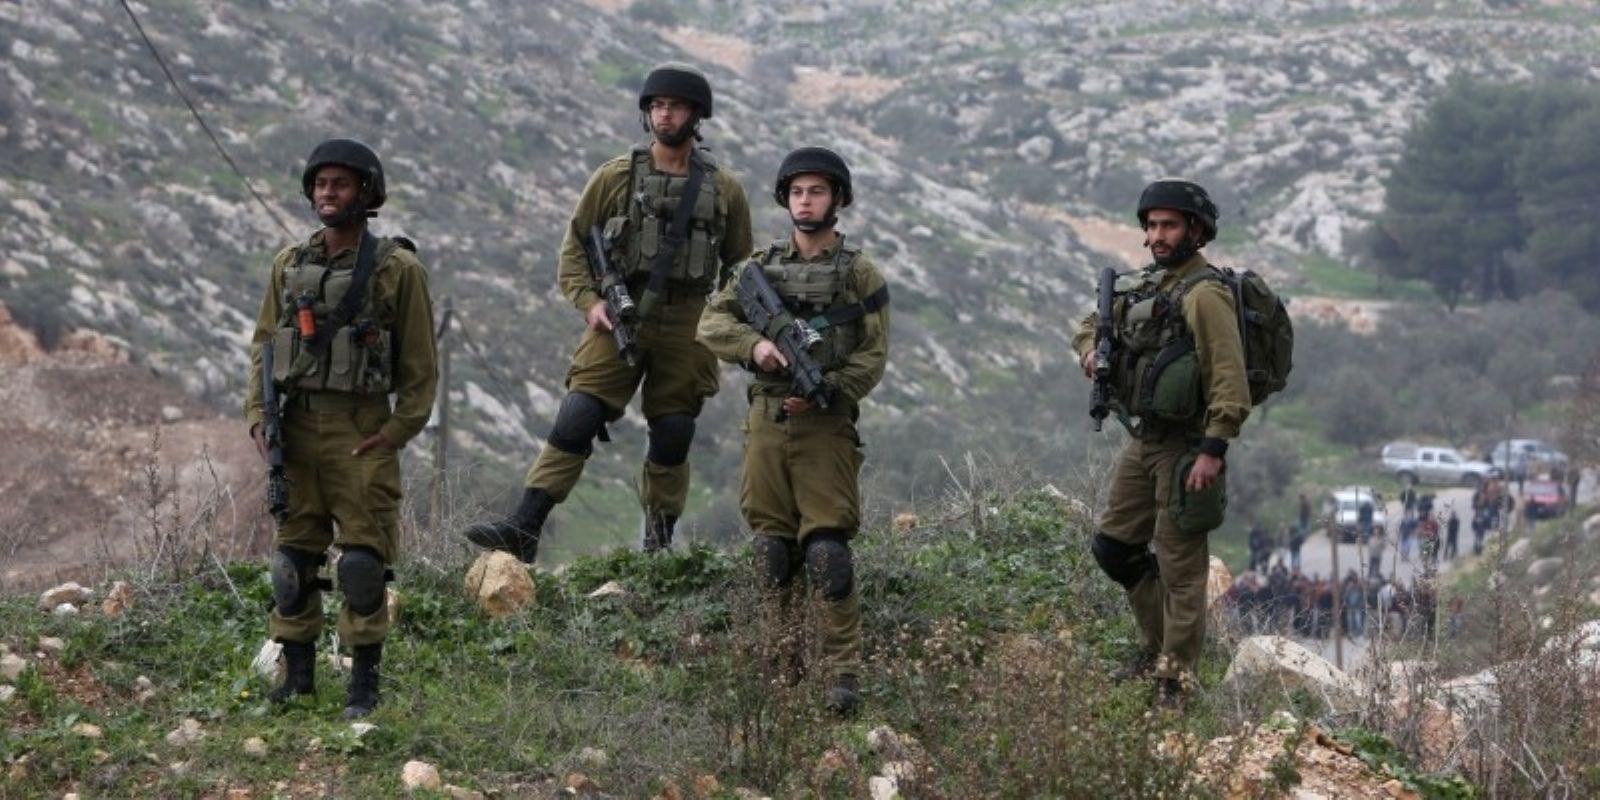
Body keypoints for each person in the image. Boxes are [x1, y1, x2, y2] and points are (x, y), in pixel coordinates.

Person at [462, 63, 753, 560]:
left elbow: (740, 265)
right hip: (621, 310)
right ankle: (524, 526)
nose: (665, 115)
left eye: (675, 106)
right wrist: (590, 302)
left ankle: (657, 549)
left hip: (688, 318)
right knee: (579, 413)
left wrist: (721, 321)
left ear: (696, 115)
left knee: (673, 430)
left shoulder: (724, 188)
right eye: (657, 106)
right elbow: (575, 247)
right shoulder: (616, 176)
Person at [244, 139, 439, 718]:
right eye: (321, 184)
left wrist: (396, 431)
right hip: (296, 428)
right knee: (292, 563)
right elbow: (262, 346)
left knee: (361, 565)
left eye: (341, 184)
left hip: (361, 430)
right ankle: (298, 678)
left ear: (366, 193)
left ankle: (363, 686)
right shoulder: (288, 264)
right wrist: (259, 418)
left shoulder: (398, 270)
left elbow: (421, 369)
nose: (328, 194)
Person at [697, 146, 890, 715]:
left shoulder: (858, 273)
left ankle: (842, 671)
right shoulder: (757, 268)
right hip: (766, 418)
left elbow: (873, 355)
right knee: (770, 551)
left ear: (837, 199)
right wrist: (754, 346)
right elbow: (711, 322)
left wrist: (831, 388)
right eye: (798, 192)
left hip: (826, 423)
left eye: (817, 192)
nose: (806, 202)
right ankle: (781, 661)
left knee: (828, 552)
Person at [1071, 178, 1251, 711]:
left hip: (1187, 446)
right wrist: (1091, 350)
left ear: (1196, 230)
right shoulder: (1149, 284)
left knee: (1181, 570)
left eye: (1169, 225)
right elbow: (1090, 323)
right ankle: (1159, 652)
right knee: (1115, 549)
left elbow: (1230, 379)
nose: (1157, 236)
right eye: (1151, 226)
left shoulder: (1205, 294)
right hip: (1144, 440)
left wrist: (1213, 450)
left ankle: (1176, 682)